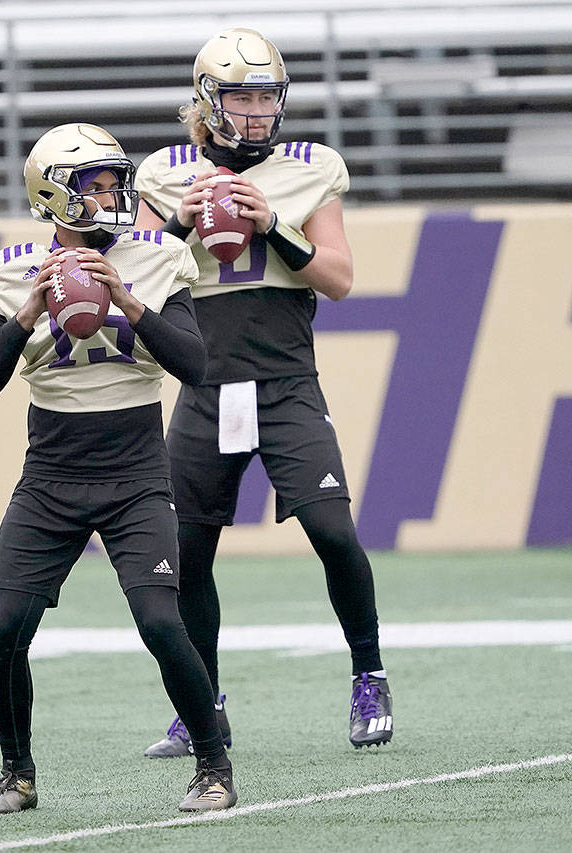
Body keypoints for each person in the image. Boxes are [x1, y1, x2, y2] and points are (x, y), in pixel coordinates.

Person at [0, 123, 236, 814]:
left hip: (136, 469)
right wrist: (27, 311)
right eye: (97, 185)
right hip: (50, 472)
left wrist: (129, 301)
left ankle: (213, 764)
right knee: (4, 626)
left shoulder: (159, 258)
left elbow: (196, 365)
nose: (114, 195)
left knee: (159, 620)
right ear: (54, 195)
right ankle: (16, 770)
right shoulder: (8, 270)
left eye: (117, 182)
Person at [133, 28, 393, 754]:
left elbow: (339, 279)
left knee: (334, 532)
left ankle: (368, 672)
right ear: (208, 101)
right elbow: (142, 283)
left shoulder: (311, 167)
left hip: (284, 380)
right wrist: (187, 218)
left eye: (266, 96)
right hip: (204, 384)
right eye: (241, 96)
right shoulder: (163, 172)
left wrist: (270, 221)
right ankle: (200, 704)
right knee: (185, 553)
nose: (256, 111)